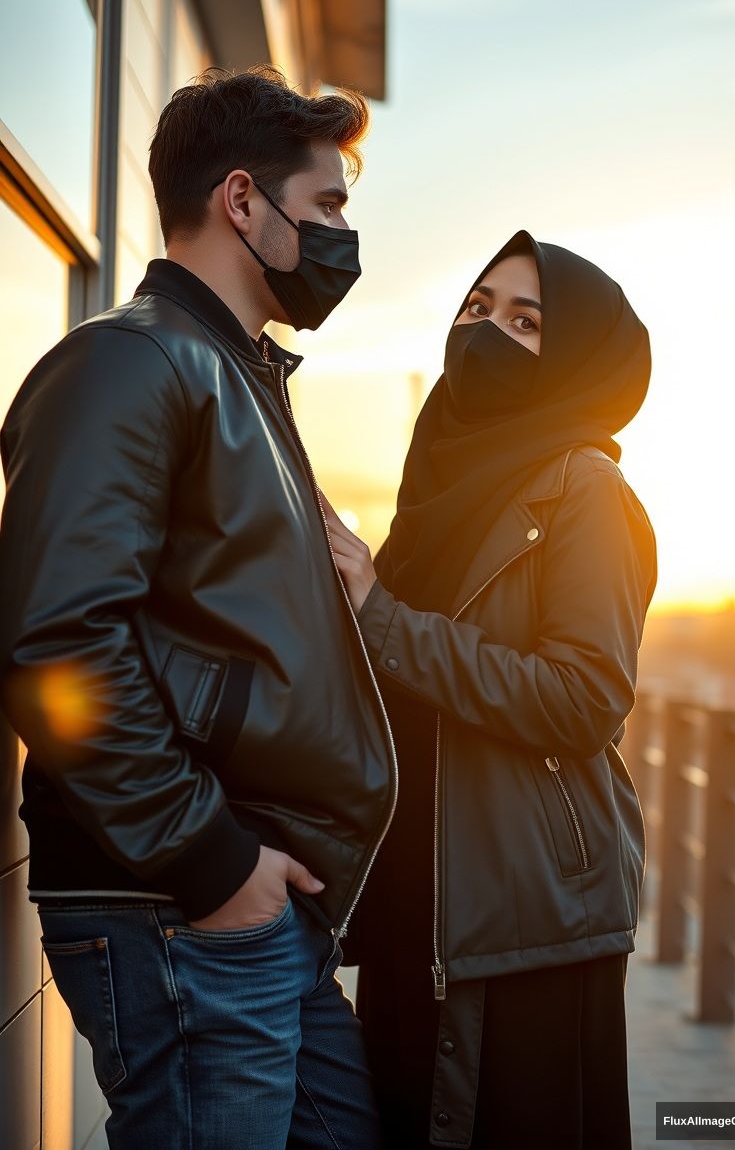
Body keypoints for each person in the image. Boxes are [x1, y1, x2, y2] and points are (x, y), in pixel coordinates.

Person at [0, 66, 396, 1150]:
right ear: (239, 201)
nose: (339, 240)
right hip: (183, 905)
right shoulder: (128, 364)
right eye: (326, 208)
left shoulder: (231, 371)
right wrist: (214, 867)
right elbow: (57, 646)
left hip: (244, 906)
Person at [323, 230, 658, 1149]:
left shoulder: (585, 490)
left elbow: (584, 697)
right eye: (475, 309)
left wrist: (380, 614)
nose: (485, 333)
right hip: (417, 901)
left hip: (521, 921)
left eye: (524, 321)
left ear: (581, 354)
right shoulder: (443, 484)